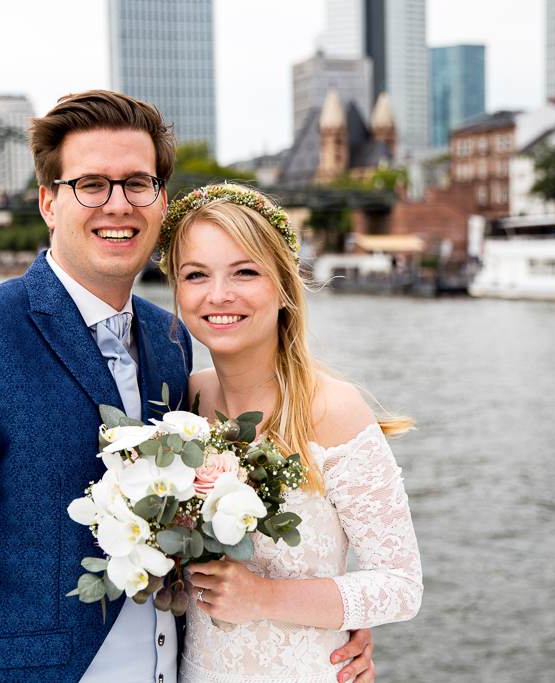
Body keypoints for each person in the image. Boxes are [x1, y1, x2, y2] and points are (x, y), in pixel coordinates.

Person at [0, 91, 377, 683]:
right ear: (49, 202)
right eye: (91, 185)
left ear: (159, 201)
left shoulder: (173, 340)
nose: (117, 204)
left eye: (137, 183)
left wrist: (334, 620)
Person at [160, 184, 423, 683]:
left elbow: (401, 587)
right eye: (197, 275)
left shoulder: (334, 409)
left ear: (283, 286)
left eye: (245, 271)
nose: (219, 294)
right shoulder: (184, 403)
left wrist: (265, 597)